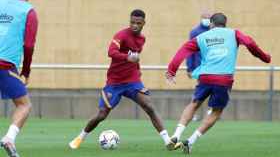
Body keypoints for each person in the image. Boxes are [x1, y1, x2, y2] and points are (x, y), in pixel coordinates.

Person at [166, 13, 271, 154]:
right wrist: (265, 58)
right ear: (225, 23)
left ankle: (176, 134)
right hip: (223, 79)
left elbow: (183, 50)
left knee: (194, 104)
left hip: (205, 77)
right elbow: (250, 43)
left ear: (211, 24)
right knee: (216, 112)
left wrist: (172, 70)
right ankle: (190, 141)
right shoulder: (234, 34)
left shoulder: (201, 37)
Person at [69, 9, 174, 150]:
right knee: (101, 115)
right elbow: (111, 52)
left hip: (132, 81)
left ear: (144, 23)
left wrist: (137, 69)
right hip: (115, 82)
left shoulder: (142, 39)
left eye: (138, 23)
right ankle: (80, 137)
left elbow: (135, 57)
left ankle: (168, 141)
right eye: (132, 22)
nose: (134, 25)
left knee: (149, 106)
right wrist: (127, 57)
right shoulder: (121, 35)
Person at [0, 0, 38, 156]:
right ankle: (9, 138)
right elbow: (28, 45)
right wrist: (26, 71)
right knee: (24, 105)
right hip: (5, 65)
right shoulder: (28, 11)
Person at [186, 12, 211, 78]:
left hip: (213, 67)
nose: (207, 19)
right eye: (205, 18)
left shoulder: (214, 31)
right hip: (200, 67)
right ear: (201, 19)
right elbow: (190, 51)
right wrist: (190, 68)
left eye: (209, 18)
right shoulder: (195, 32)